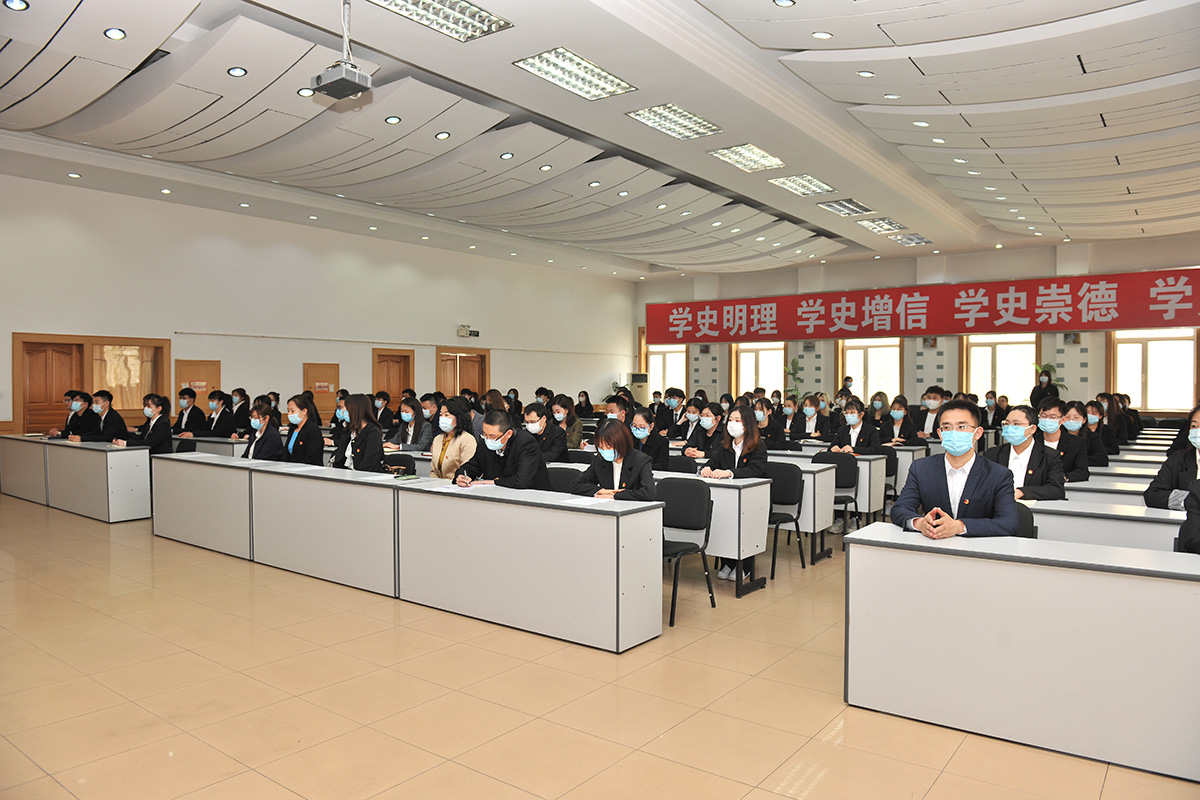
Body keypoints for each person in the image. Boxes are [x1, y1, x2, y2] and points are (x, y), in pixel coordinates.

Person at [890, 399, 1019, 538]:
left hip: (978, 547)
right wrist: (919, 523)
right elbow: (900, 509)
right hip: (934, 545)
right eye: (947, 428)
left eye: (961, 427)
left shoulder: (998, 475)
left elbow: (1009, 523)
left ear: (978, 433)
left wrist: (960, 526)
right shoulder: (921, 468)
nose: (954, 432)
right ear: (940, 434)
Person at [701, 406, 767, 580]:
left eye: (738, 421)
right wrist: (706, 469)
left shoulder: (758, 446)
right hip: (728, 499)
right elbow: (712, 462)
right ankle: (728, 562)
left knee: (742, 524)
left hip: (752, 500)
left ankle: (745, 565)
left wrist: (730, 473)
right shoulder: (724, 446)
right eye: (730, 420)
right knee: (722, 519)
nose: (733, 424)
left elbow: (755, 470)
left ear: (748, 424)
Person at [983, 405, 1066, 500]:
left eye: (1016, 424)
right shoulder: (993, 454)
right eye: (1007, 423)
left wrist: (1021, 492)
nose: (1010, 428)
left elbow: (1056, 490)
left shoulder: (1050, 456)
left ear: (1032, 429)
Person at [454, 409, 551, 490]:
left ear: (508, 434)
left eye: (492, 436)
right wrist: (462, 476)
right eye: (485, 434)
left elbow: (522, 480)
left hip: (533, 497)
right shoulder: (484, 442)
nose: (488, 439)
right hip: (498, 495)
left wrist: (493, 482)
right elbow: (472, 466)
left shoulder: (525, 443)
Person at [571, 420, 656, 501]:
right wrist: (600, 491)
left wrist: (615, 496)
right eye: (600, 447)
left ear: (621, 442)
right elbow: (577, 485)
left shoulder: (640, 460)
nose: (604, 450)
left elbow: (649, 492)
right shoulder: (600, 460)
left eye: (608, 447)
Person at [1144, 403, 1200, 510]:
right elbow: (1152, 495)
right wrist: (1191, 500)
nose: (1197, 431)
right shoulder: (1178, 459)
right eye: (1194, 426)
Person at [1035, 399, 1089, 483]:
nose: (1047, 420)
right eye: (1044, 416)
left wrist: (1063, 477)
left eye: (1053, 417)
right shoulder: (1032, 440)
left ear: (1063, 419)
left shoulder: (1076, 443)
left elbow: (1082, 472)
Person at [332, 394, 384, 472]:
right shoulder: (348, 430)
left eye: (346, 409)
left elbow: (369, 464)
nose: (343, 413)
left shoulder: (372, 433)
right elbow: (339, 458)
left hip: (365, 476)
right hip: (347, 474)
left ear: (356, 410)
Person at [430, 396, 478, 479]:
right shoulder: (438, 439)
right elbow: (434, 471)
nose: (442, 418)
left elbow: (467, 471)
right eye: (441, 415)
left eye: (447, 415)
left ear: (458, 417)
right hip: (438, 484)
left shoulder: (467, 439)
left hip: (457, 483)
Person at [1063, 400, 1109, 467]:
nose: (1071, 420)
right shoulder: (1056, 436)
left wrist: (1078, 459)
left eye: (1076, 418)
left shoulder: (1093, 437)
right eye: (1067, 417)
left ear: (1084, 420)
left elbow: (1102, 459)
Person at [282, 394, 324, 465]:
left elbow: (312, 458)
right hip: (291, 468)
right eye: (288, 411)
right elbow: (287, 454)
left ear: (304, 411)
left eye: (292, 411)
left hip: (308, 469)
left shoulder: (313, 430)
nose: (289, 414)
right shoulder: (293, 429)